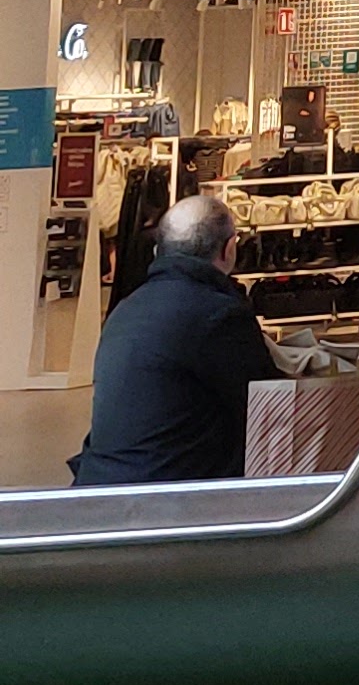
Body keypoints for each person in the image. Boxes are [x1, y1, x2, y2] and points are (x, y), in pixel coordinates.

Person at [69, 194, 284, 487]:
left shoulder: (126, 308)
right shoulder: (219, 314)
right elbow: (267, 401)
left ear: (158, 251)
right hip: (170, 492)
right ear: (230, 249)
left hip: (100, 480)